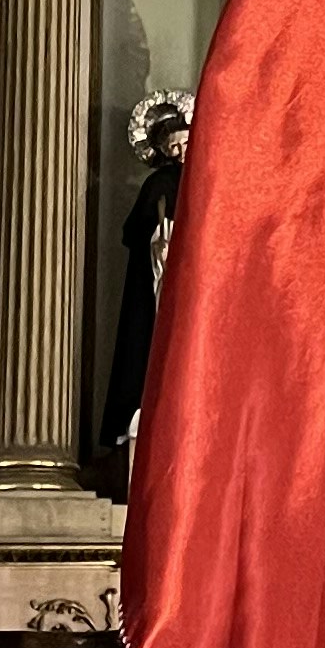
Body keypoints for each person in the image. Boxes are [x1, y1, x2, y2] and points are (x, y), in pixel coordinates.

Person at [97, 88, 191, 459]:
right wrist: (158, 243)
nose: (181, 152)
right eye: (174, 147)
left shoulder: (211, 183)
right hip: (161, 279)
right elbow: (137, 232)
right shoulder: (159, 185)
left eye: (185, 142)